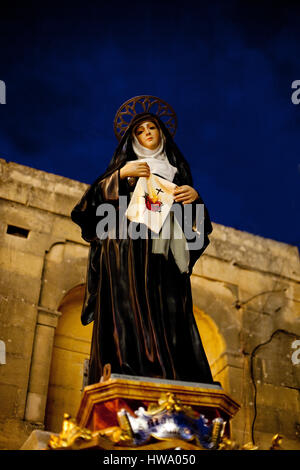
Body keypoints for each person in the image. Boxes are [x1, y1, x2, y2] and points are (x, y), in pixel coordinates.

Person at [71, 98, 214, 385]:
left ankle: (170, 369)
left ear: (162, 133)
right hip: (127, 247)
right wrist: (121, 176)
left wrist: (195, 199)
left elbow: (197, 229)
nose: (147, 133)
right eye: (140, 131)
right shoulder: (123, 169)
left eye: (152, 127)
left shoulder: (179, 173)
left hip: (165, 250)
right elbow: (87, 208)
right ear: (133, 139)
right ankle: (127, 363)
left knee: (168, 307)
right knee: (128, 305)